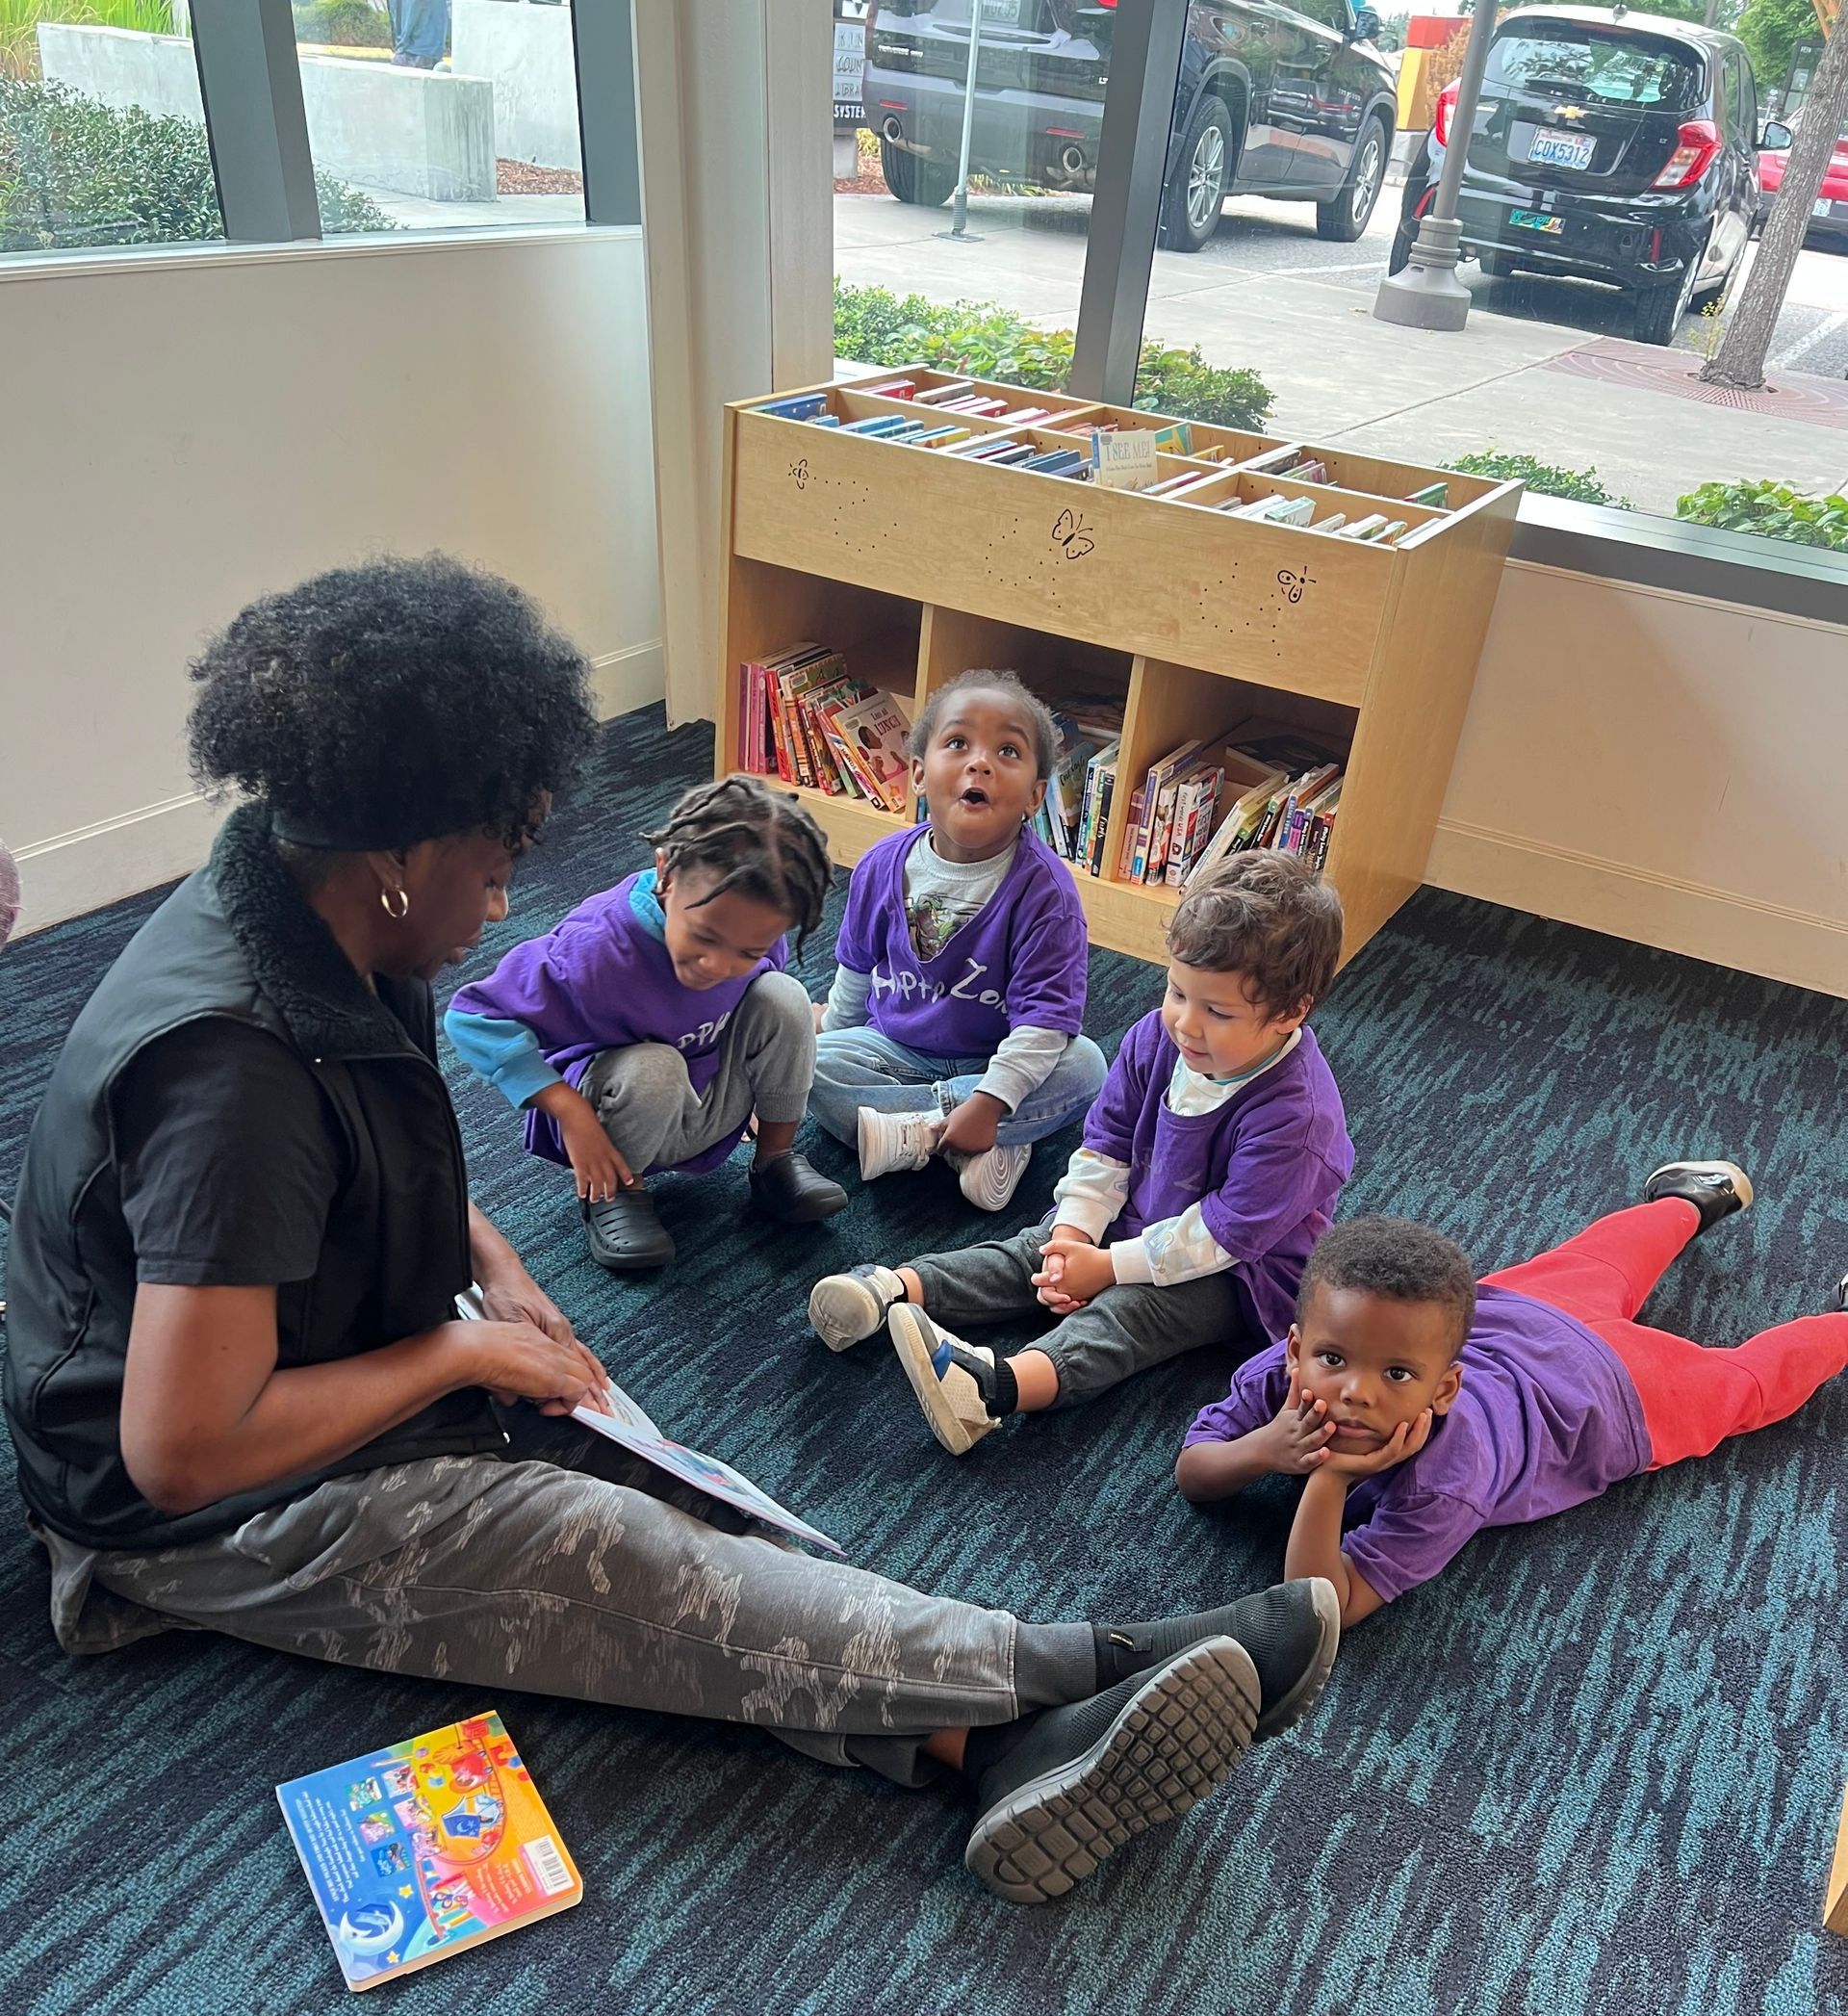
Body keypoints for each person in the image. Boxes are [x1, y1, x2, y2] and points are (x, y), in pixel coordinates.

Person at [1, 554, 1338, 1908]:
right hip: (213, 1508)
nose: (509, 898)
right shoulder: (233, 1069)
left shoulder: (320, 922)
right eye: (500, 853)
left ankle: (991, 1746)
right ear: (401, 856)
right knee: (612, 1556)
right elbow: (177, 1453)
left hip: (343, 1337)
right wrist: (465, 1362)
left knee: (672, 1491)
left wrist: (497, 1268)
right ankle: (1081, 1668)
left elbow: (366, 1162)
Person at [808, 850, 1352, 1458]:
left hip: (1240, 1270)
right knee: (1033, 1250)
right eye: (1177, 992)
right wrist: (1075, 1235)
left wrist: (1107, 1268)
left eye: (1217, 1012)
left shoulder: (1298, 1118)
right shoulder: (1156, 1037)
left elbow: (1221, 1235)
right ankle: (890, 1287)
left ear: (1291, 1012)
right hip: (1137, 1215)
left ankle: (993, 1390)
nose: (1186, 1025)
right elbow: (1107, 1143)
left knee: (1129, 1314)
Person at [1174, 1166, 1848, 1626]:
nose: (1355, 1391)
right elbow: (1194, 1471)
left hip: (1609, 1399)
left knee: (1746, 1385)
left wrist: (1327, 1476)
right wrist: (1264, 1448)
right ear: (1296, 1349)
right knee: (1606, 1257)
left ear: (1445, 1389)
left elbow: (1316, 1605)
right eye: (1332, 1359)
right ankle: (1692, 1197)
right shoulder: (1278, 1378)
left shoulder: (1447, 1479)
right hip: (1514, 1313)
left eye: (1397, 1376)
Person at [446, 774, 846, 1275]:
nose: (717, 967)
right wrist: (571, 1114)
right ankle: (615, 1195)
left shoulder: (755, 924)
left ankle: (774, 1165)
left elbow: (761, 1010)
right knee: (655, 1066)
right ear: (666, 873)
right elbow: (473, 1016)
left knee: (785, 997)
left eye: (748, 951)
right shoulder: (592, 951)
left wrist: (762, 1087)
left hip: (703, 1098)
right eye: (704, 938)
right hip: (609, 1118)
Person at [808, 669, 1108, 1215]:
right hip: (896, 1051)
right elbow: (853, 976)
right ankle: (984, 1141)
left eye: (1008, 751)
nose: (980, 762)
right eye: (957, 743)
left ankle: (927, 1136)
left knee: (1087, 1066)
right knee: (807, 1060)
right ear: (919, 773)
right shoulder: (881, 865)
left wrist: (993, 1100)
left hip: (996, 1057)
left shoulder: (1046, 894)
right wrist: (827, 1042)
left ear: (1036, 796)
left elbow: (1044, 1024)